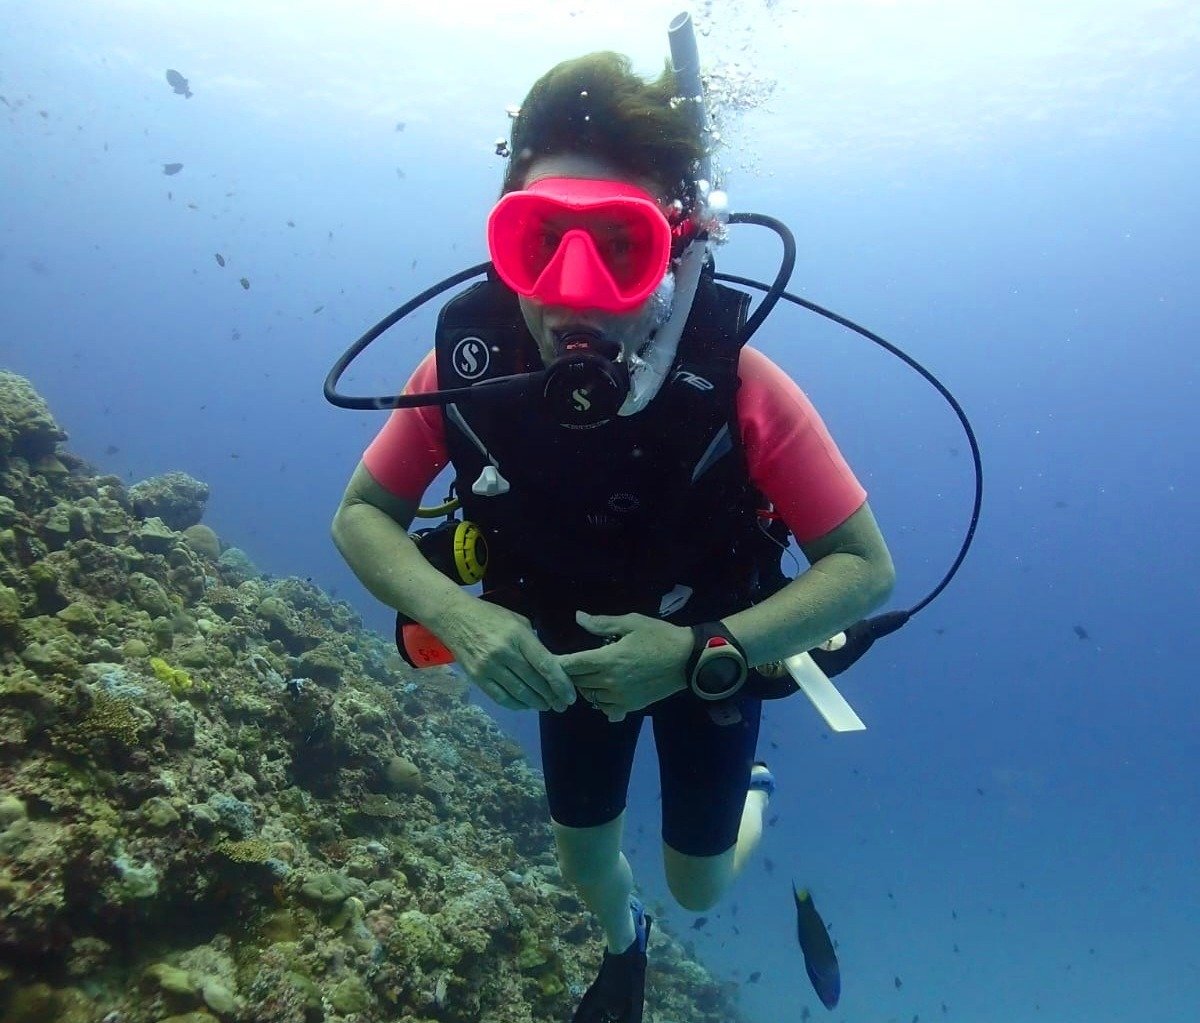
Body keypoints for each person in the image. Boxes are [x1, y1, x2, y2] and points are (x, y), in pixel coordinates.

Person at [332, 51, 895, 1023]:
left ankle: (748, 789)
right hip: (566, 659)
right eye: (540, 240)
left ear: (679, 248)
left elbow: (864, 566)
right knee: (586, 863)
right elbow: (361, 515)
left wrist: (695, 653)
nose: (574, 291)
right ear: (501, 243)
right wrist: (456, 620)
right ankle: (623, 943)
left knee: (700, 887)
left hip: (708, 656)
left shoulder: (741, 387)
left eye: (621, 246)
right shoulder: (465, 369)